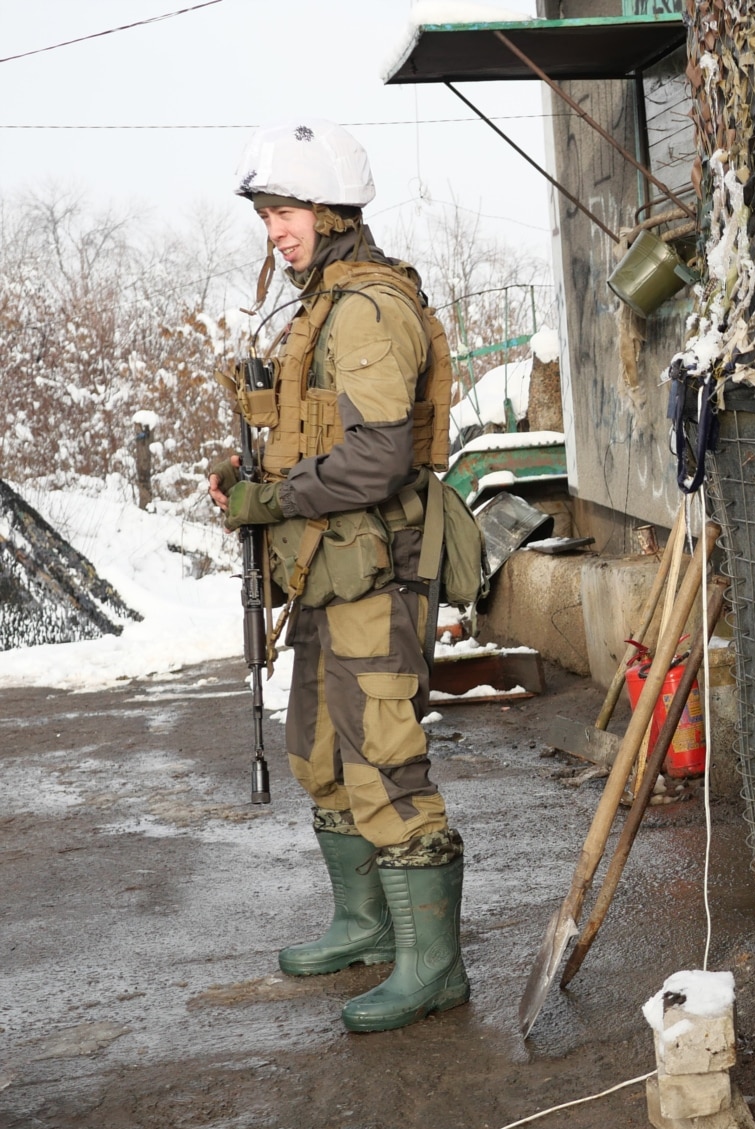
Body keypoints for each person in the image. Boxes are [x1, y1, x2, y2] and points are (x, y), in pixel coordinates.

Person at [208, 118, 467, 1033]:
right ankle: (365, 927)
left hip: (375, 571)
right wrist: (256, 481)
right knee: (321, 754)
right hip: (327, 572)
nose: (274, 230)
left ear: (331, 210)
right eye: (267, 215)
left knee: (386, 764)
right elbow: (319, 439)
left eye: (285, 212)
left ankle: (434, 969)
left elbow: (379, 459)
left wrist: (274, 503)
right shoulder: (319, 303)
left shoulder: (365, 307)